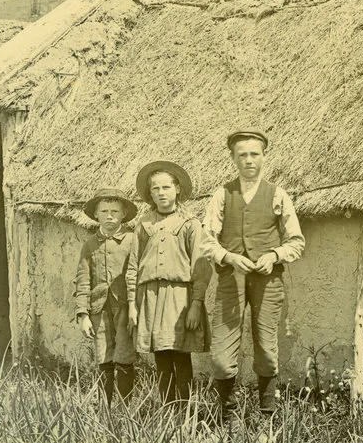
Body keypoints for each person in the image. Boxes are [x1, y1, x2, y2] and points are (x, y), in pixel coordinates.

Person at [202, 130, 305, 421]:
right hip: (229, 279)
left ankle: (266, 417)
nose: (249, 160)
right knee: (222, 355)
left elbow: (296, 241)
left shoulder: (278, 195)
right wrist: (229, 257)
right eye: (242, 155)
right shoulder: (222, 194)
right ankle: (229, 417)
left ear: (264, 156)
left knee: (266, 348)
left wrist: (274, 256)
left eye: (254, 154)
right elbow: (206, 241)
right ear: (233, 158)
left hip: (267, 280)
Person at [126, 161, 212, 405]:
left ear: (177, 190)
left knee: (180, 355)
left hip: (180, 298)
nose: (161, 193)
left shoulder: (190, 224)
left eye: (166, 187)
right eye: (156, 189)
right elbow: (133, 266)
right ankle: (166, 411)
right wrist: (133, 303)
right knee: (161, 357)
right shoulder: (144, 225)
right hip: (150, 297)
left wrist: (196, 303)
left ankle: (185, 412)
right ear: (150, 193)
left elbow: (202, 267)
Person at [74, 187, 138, 407]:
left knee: (124, 355)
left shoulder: (132, 240)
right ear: (96, 215)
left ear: (123, 214)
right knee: (103, 355)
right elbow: (83, 280)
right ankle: (105, 408)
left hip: (125, 307)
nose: (109, 216)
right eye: (104, 211)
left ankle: (124, 409)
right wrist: (83, 314)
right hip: (99, 309)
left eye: (115, 211)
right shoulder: (90, 245)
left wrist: (135, 306)